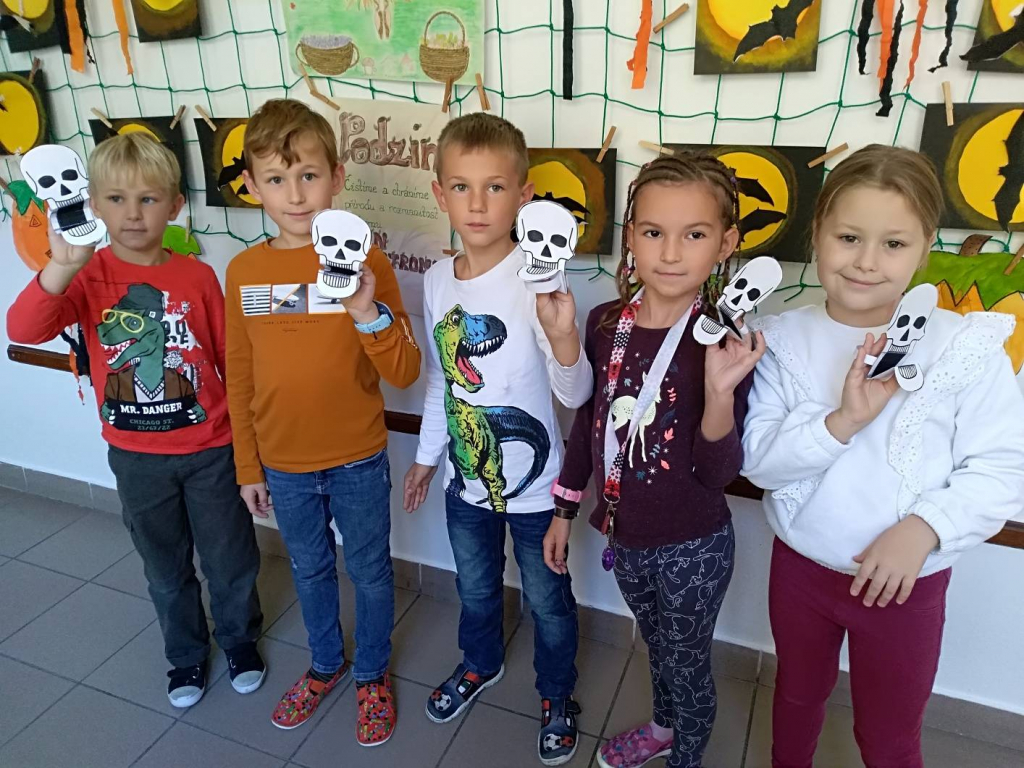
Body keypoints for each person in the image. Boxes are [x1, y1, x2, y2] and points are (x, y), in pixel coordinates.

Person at [741, 144, 1024, 768]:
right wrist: (841, 422)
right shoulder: (781, 338)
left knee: (890, 735)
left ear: (924, 248)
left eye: (893, 244)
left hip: (907, 584)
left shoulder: (964, 346)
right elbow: (759, 462)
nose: (867, 262)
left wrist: (925, 529)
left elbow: (1002, 469)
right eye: (849, 237)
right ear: (818, 233)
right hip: (802, 569)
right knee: (796, 697)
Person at [7, 132, 265, 709]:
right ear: (94, 205)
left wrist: (251, 445)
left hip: (211, 449)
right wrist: (61, 266)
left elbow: (230, 361)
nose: (132, 214)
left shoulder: (197, 277)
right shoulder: (84, 274)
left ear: (174, 206)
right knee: (165, 567)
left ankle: (239, 640)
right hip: (136, 457)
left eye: (148, 199)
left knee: (229, 559)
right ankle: (186, 654)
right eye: (117, 199)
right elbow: (23, 329)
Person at [551, 154, 764, 768]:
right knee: (657, 647)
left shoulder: (727, 339)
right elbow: (590, 425)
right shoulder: (604, 323)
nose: (670, 253)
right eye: (653, 232)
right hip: (625, 536)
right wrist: (565, 509)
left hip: (693, 545)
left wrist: (720, 393)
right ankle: (665, 729)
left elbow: (718, 473)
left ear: (726, 243)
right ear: (631, 237)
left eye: (694, 234)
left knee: (687, 664)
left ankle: (685, 758)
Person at [225, 99, 420, 745]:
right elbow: (240, 376)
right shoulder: (245, 272)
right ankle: (326, 664)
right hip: (283, 465)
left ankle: (370, 673)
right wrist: (248, 466)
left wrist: (367, 311)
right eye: (276, 179)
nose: (295, 194)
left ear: (336, 177)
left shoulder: (371, 265)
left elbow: (404, 371)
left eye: (308, 175)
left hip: (358, 456)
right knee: (309, 571)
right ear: (251, 186)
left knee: (369, 571)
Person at [402, 112, 592, 766]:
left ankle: (557, 692)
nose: (477, 204)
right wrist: (427, 458)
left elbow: (576, 394)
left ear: (524, 194)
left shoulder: (539, 277)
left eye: (495, 187)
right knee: (477, 588)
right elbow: (442, 379)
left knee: (548, 600)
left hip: (538, 493)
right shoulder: (436, 281)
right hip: (466, 488)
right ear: (440, 194)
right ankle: (480, 662)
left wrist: (563, 335)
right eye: (461, 187)